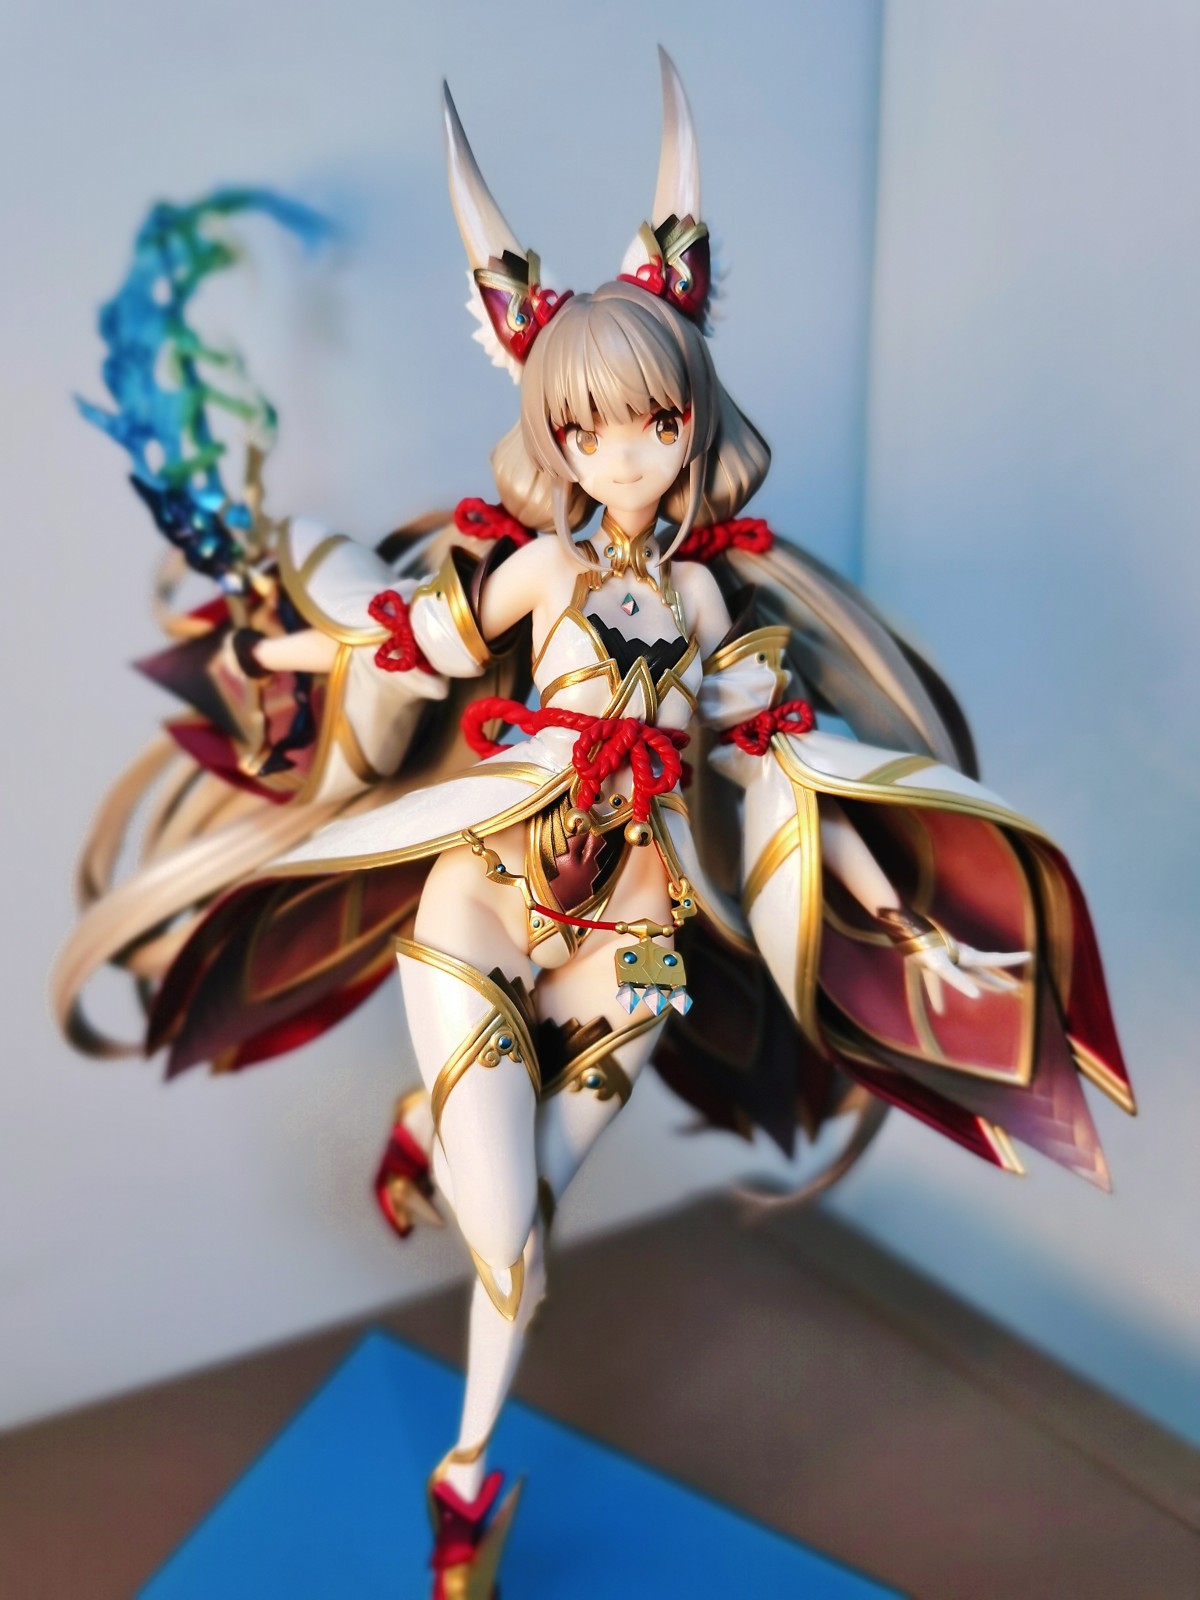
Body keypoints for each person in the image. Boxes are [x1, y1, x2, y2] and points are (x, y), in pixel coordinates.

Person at [54, 52, 1133, 1600]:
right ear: (550, 436)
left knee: (527, 1223)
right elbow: (409, 649)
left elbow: (781, 768)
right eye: (588, 432)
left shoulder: (708, 601)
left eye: (651, 424)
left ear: (693, 422)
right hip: (485, 901)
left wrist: (899, 922)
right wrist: (289, 635)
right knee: (512, 1239)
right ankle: (467, 1479)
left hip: (635, 946)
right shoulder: (541, 572)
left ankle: (436, 1192)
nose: (622, 457)